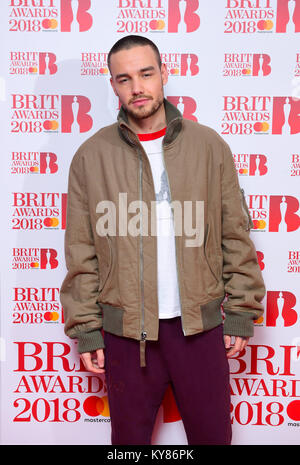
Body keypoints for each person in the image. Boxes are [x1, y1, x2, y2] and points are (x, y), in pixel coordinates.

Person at [60, 35, 266, 445]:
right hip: (126, 335)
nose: (137, 87)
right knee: (129, 445)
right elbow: (82, 252)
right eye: (124, 78)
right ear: (113, 85)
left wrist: (242, 309)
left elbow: (234, 235)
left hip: (200, 331)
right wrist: (86, 328)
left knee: (213, 439)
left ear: (164, 74)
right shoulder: (90, 156)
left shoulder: (209, 146)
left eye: (146, 73)